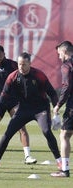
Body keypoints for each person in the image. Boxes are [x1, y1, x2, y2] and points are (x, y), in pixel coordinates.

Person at [0, 52, 61, 169]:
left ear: (30, 64)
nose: (21, 67)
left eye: (24, 64)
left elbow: (52, 93)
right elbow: (3, 95)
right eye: (19, 64)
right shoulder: (12, 76)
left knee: (46, 131)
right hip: (23, 109)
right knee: (8, 133)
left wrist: (56, 112)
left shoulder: (39, 75)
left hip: (40, 109)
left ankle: (59, 160)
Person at [51, 41, 73, 178]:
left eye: (59, 54)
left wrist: (58, 105)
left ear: (64, 52)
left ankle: (64, 170)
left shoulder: (67, 65)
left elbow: (67, 86)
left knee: (64, 135)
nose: (59, 57)